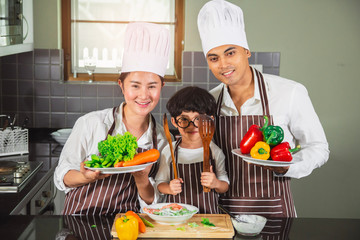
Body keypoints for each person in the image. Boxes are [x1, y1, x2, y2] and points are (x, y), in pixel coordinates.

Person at [197, 0, 329, 218]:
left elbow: (318, 147)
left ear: (247, 51)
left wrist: (288, 167)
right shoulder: (209, 102)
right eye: (214, 58)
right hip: (223, 214)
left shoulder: (289, 92)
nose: (223, 65)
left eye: (230, 53)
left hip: (274, 211)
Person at [54, 22, 170, 215]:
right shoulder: (91, 123)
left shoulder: (164, 140)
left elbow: (155, 202)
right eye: (135, 86)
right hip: (80, 224)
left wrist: (142, 180)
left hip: (128, 226)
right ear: (121, 86)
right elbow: (62, 177)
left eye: (152, 86)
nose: (144, 95)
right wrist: (86, 177)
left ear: (161, 87)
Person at [155, 86, 229, 213]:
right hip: (176, 217)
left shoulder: (214, 151)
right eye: (184, 119)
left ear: (210, 120)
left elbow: (224, 186)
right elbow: (160, 184)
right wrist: (169, 188)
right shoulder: (169, 150)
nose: (192, 125)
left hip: (208, 217)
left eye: (199, 119)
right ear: (173, 121)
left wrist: (215, 183)